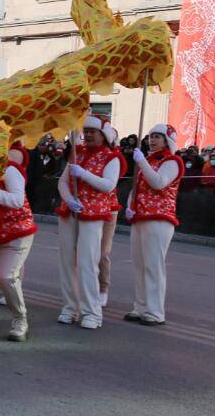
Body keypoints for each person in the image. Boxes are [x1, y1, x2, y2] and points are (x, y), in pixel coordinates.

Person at [55, 114, 120, 329]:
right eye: (88, 131)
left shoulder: (112, 158)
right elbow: (63, 182)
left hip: (93, 215)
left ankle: (92, 312)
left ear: (104, 135)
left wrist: (83, 174)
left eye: (94, 132)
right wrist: (69, 199)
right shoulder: (76, 153)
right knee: (67, 263)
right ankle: (69, 307)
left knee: (87, 264)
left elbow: (108, 185)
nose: (89, 135)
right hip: (70, 212)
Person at [124, 124, 184, 326]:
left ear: (168, 140)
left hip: (159, 219)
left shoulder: (172, 161)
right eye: (151, 136)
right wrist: (129, 206)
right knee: (139, 265)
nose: (153, 140)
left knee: (153, 267)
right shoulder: (147, 161)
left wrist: (142, 163)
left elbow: (159, 182)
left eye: (158, 136)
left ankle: (155, 311)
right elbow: (137, 187)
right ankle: (140, 307)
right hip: (141, 218)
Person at [0, 142, 36, 342]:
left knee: (5, 278)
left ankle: (20, 319)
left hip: (17, 233)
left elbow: (17, 200)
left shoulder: (9, 169)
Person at [99, 128, 128, 307]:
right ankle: (86, 288)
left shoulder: (113, 157)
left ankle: (103, 288)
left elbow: (110, 183)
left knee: (102, 252)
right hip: (86, 208)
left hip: (108, 208)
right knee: (84, 252)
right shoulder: (86, 153)